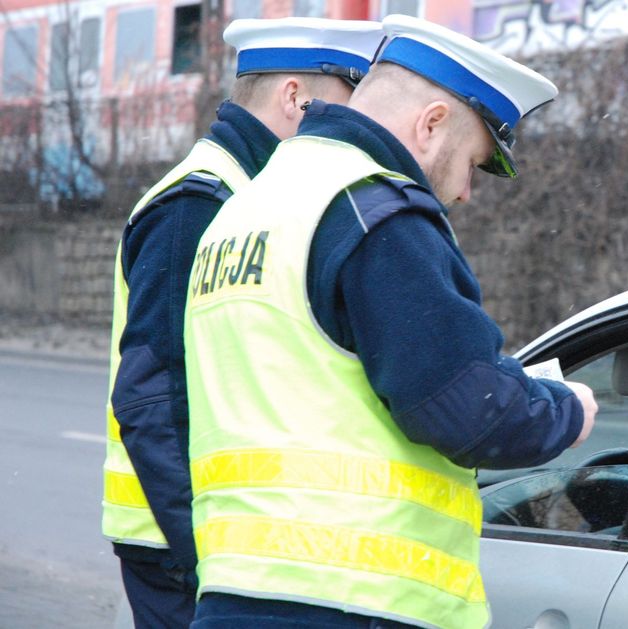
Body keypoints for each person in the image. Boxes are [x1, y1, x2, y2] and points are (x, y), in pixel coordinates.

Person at [182, 15, 597, 629]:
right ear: (431, 125)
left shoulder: (245, 210)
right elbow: (464, 409)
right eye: (472, 162)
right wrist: (566, 410)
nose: (463, 192)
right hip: (356, 600)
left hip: (234, 592)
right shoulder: (376, 213)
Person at [101, 17, 385, 629]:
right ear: (293, 98)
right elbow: (152, 398)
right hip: (185, 547)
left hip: (218, 543)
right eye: (343, 107)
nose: (352, 130)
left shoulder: (254, 194)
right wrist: (208, 556)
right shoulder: (199, 203)